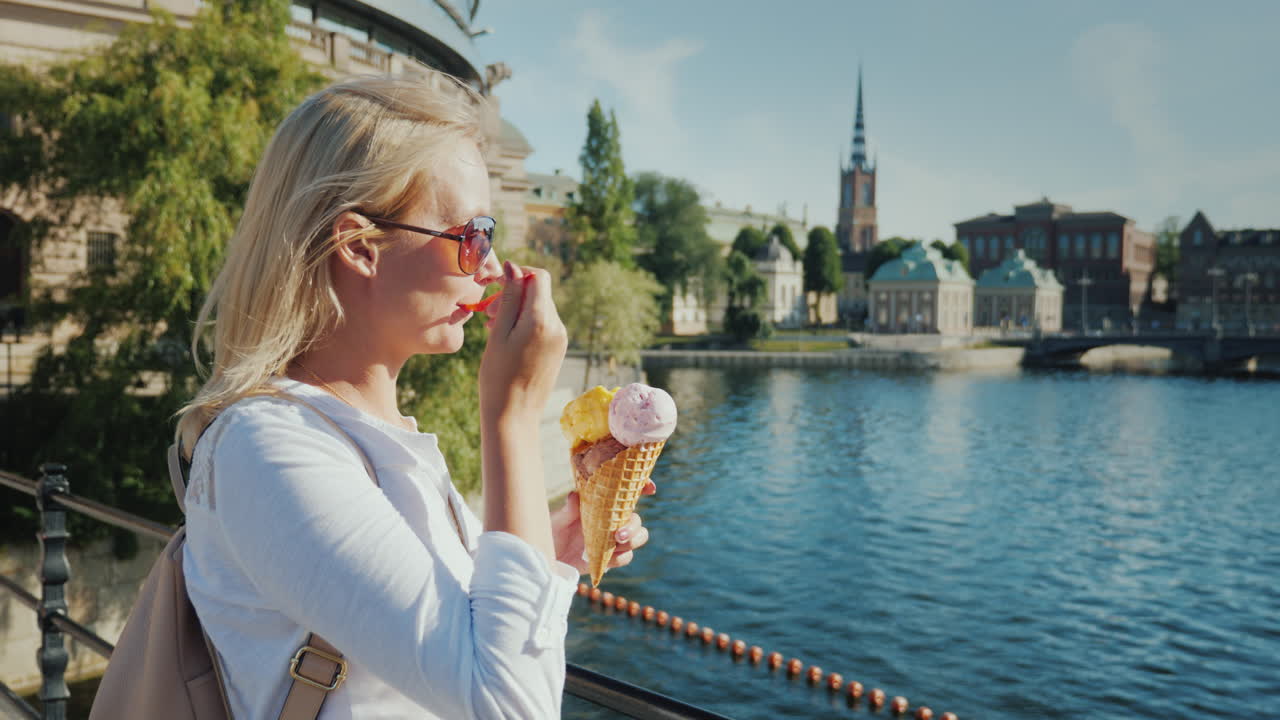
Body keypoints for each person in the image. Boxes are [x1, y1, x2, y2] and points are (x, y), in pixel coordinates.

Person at [174, 74, 652, 719]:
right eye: (471, 234)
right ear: (360, 246)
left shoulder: (369, 438)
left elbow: (479, 649)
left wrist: (555, 552)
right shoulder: (270, 449)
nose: (489, 265)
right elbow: (509, 707)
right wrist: (511, 411)